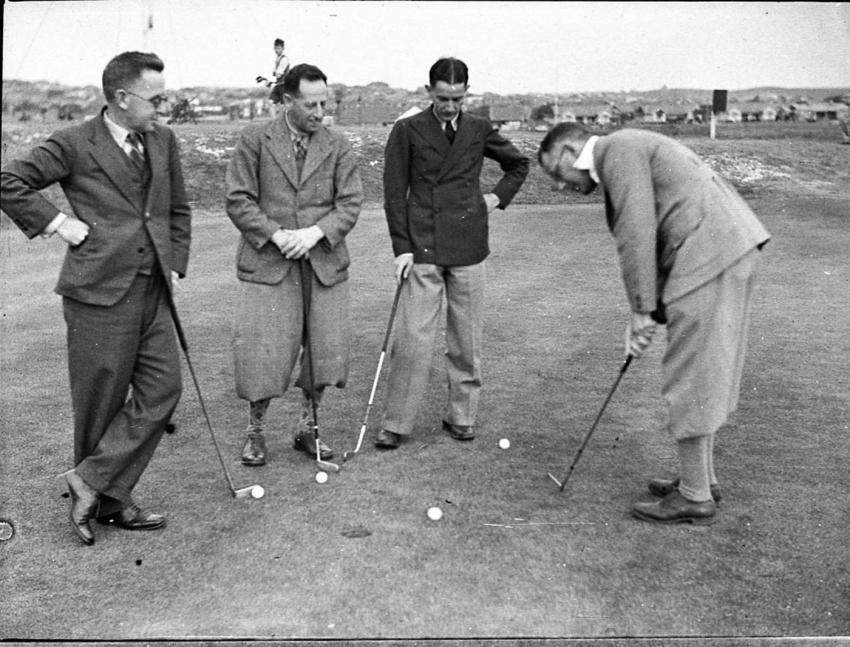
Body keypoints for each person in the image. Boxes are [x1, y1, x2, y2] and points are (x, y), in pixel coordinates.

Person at [0, 51, 191, 545]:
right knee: (100, 401)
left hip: (153, 289)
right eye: (156, 97)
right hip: (96, 291)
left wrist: (175, 259)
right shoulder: (73, 142)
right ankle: (110, 501)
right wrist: (59, 223)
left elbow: (176, 209)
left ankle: (91, 481)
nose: (163, 106)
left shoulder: (163, 139)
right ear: (122, 98)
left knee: (163, 389)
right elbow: (9, 181)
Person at [537, 122, 770, 525]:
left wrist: (641, 311)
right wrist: (653, 308)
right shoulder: (626, 147)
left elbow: (636, 230)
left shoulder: (617, 151)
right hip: (721, 250)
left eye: (557, 175)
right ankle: (701, 479)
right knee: (702, 372)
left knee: (691, 376)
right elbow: (661, 223)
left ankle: (694, 495)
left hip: (708, 255)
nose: (560, 187)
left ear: (570, 149)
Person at [375, 57, 530, 450]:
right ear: (429, 92)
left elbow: (518, 164)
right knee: (412, 339)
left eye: (457, 98)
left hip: (468, 245)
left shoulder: (478, 129)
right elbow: (395, 195)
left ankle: (462, 416)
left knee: (466, 338)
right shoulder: (407, 130)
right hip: (423, 246)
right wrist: (402, 248)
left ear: (466, 93)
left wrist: (496, 198)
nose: (449, 106)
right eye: (443, 98)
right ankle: (396, 423)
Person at [226, 63, 362, 467]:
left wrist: (315, 234)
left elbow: (350, 203)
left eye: (325, 102)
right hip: (270, 263)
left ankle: (308, 428)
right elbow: (238, 199)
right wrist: (278, 234)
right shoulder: (255, 138)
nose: (320, 112)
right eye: (311, 104)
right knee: (262, 352)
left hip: (324, 263)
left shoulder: (337, 144)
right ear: (287, 100)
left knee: (324, 350)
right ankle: (255, 433)